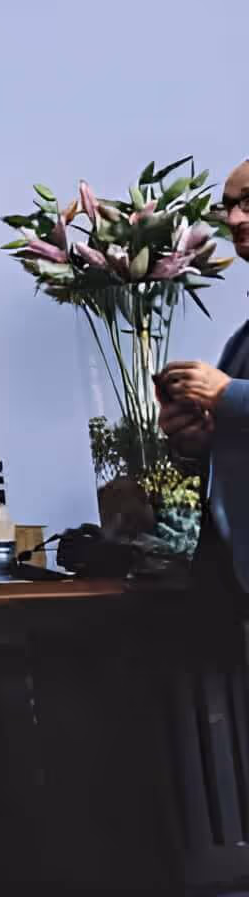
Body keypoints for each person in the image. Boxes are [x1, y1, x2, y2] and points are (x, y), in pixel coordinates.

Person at [159, 158, 249, 592]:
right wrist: (199, 439)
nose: (233, 219)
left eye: (247, 202)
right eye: (228, 206)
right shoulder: (241, 340)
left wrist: (226, 394)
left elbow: (232, 396)